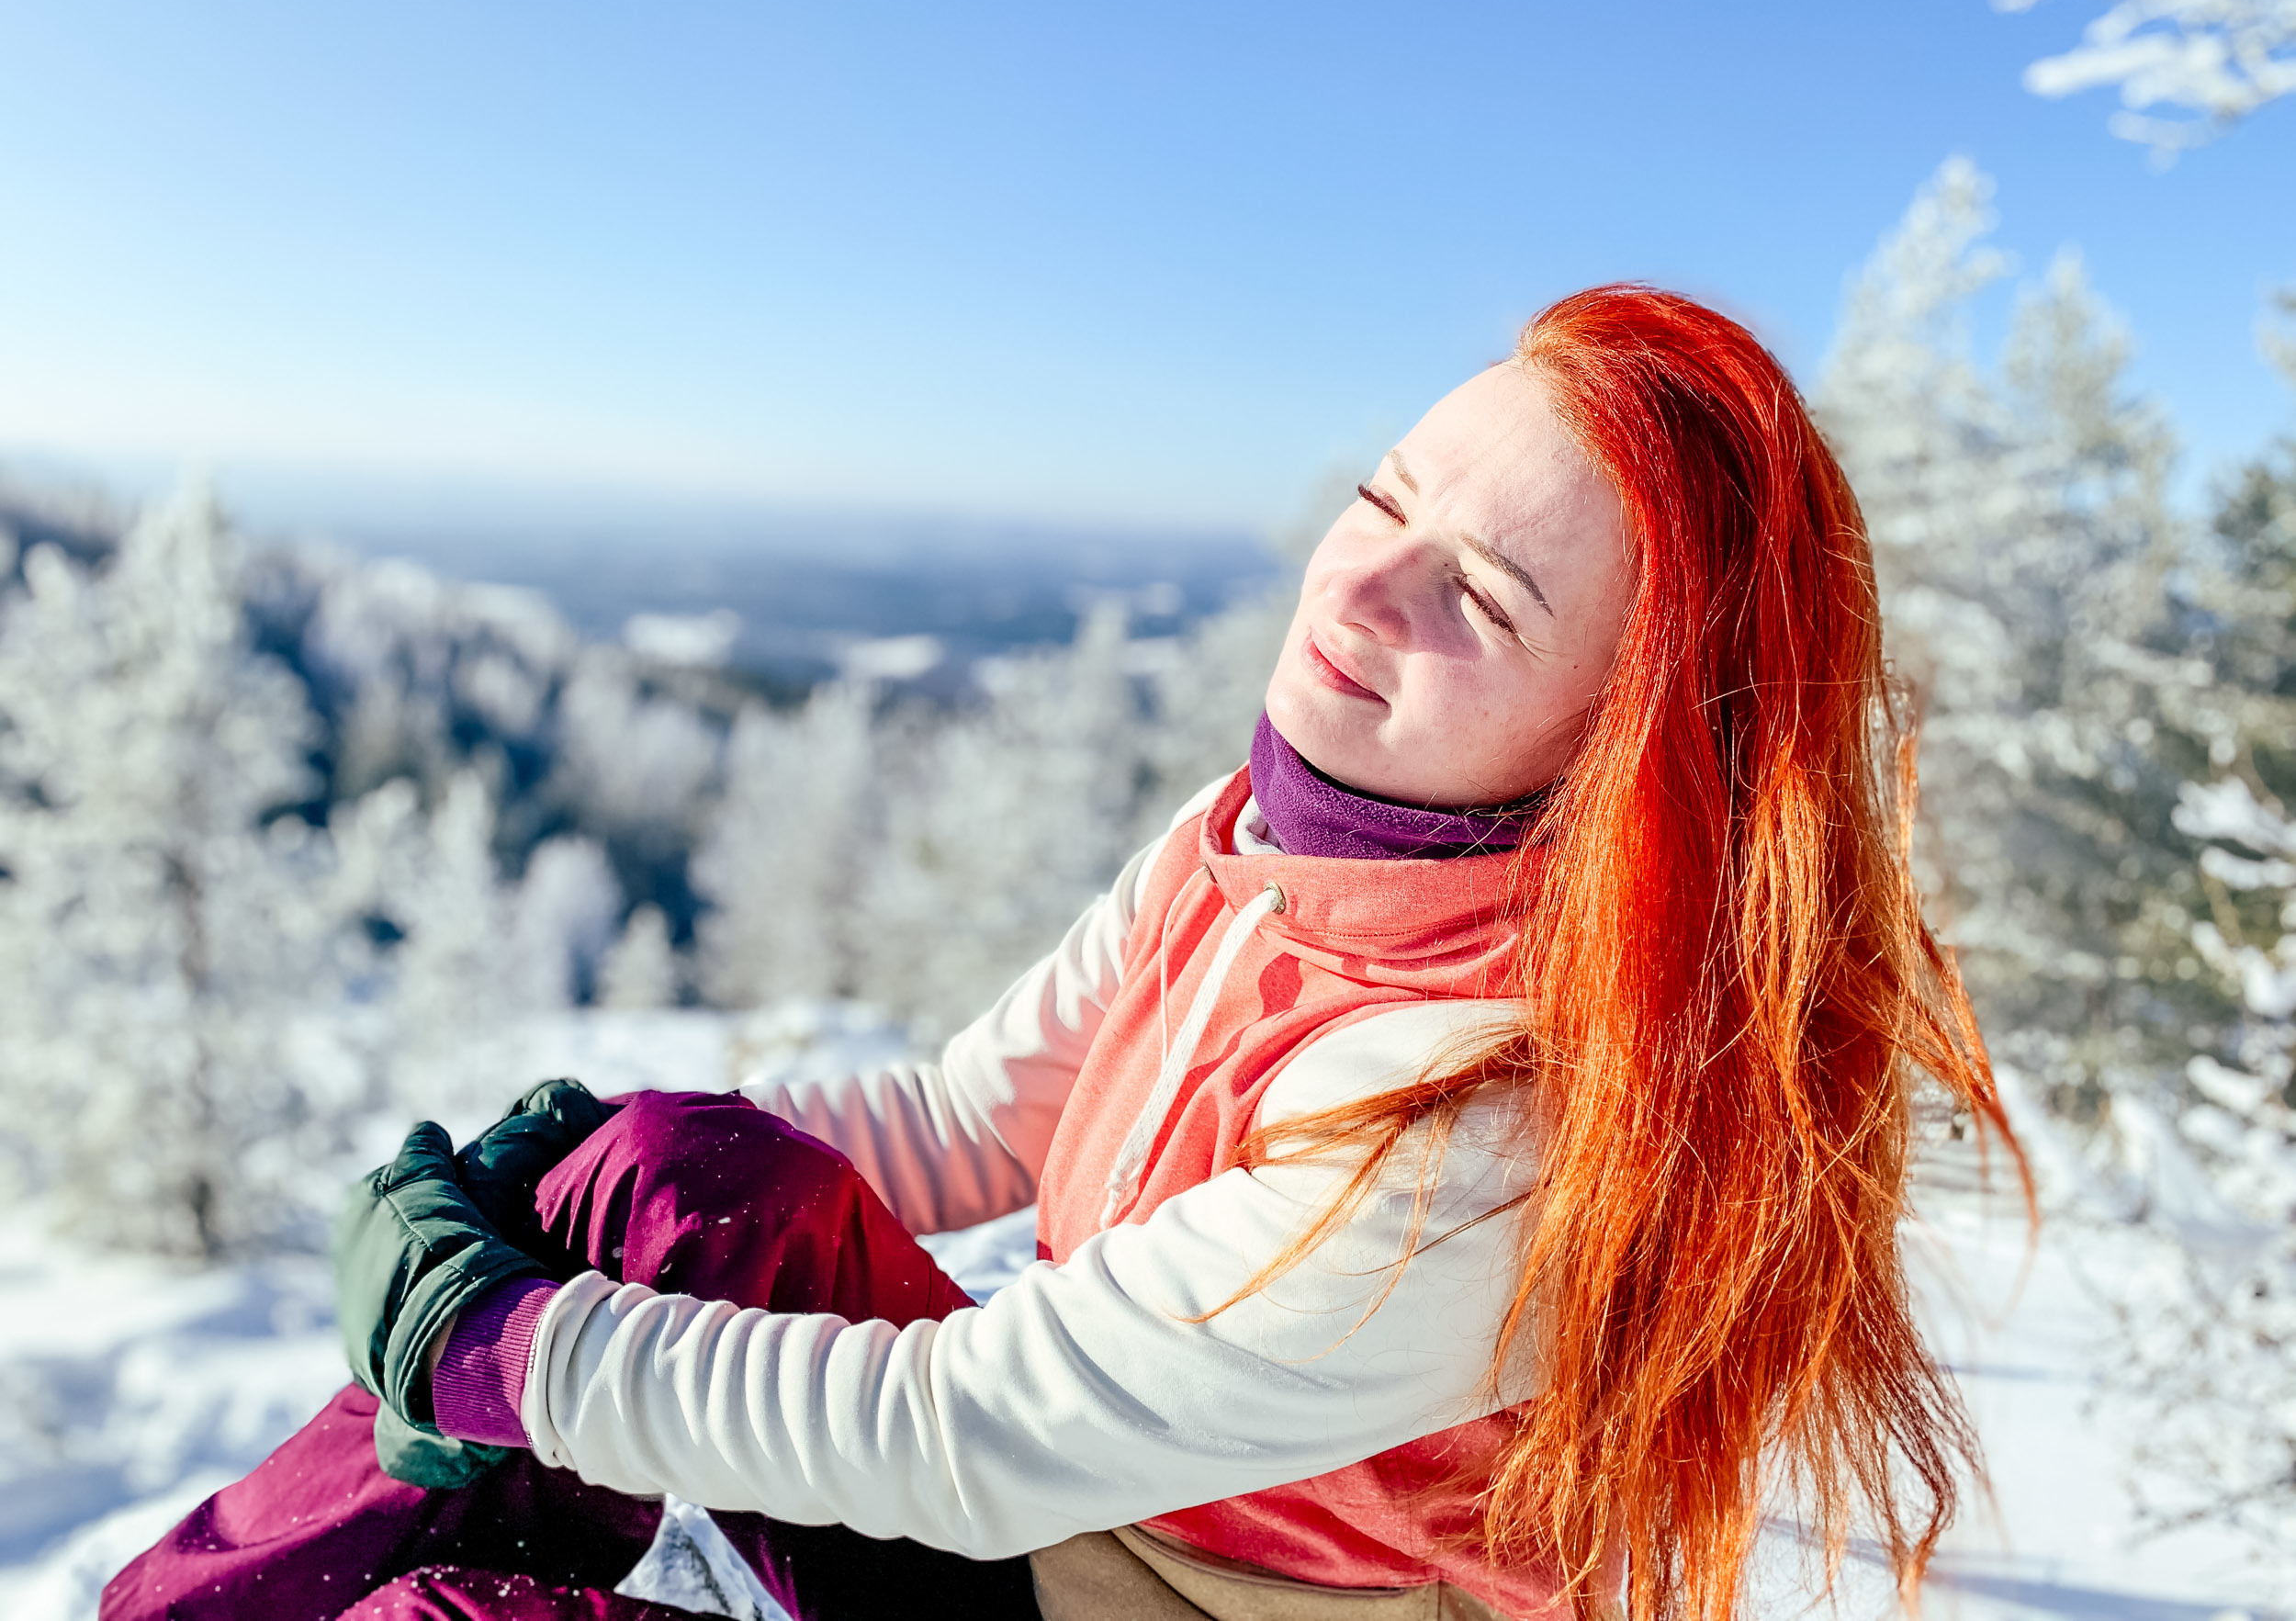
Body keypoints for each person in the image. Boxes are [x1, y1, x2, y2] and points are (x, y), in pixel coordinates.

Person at [104, 286, 2017, 1621]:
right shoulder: (1254, 838)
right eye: (1382, 499)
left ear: (1625, 755)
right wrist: (560, 1162)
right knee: (662, 1176)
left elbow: (974, 1434)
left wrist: (503, 1342)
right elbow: (958, 1115)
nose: (1357, 580)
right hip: (1061, 1539)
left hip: (1148, 1588)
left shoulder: (1495, 1114)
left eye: (1478, 597)